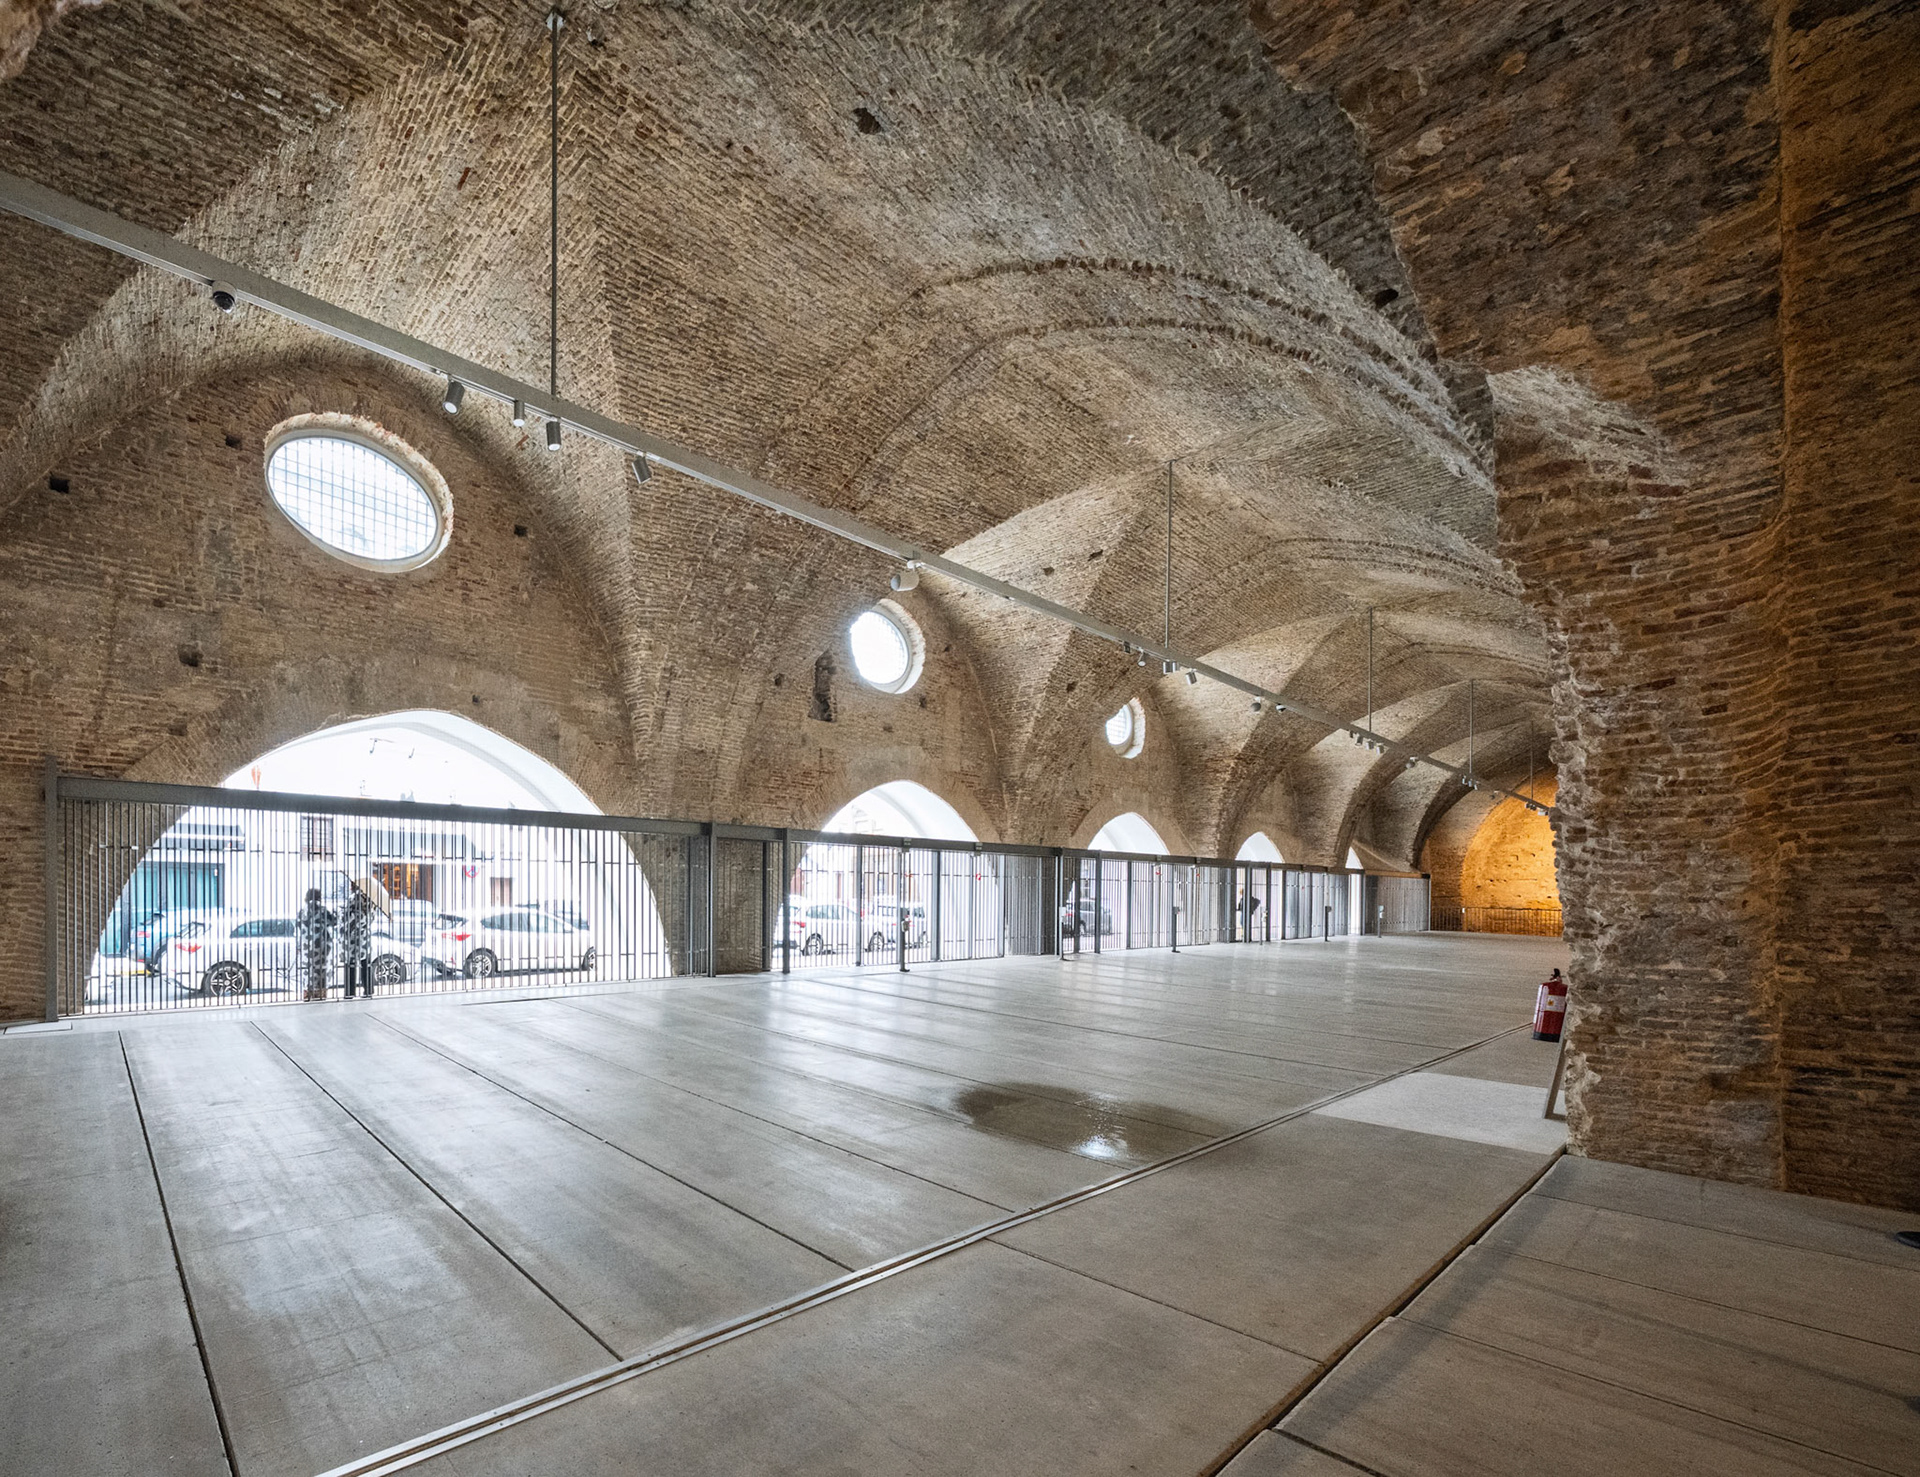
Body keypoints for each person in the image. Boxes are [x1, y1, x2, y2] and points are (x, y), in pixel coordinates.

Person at [295, 888, 336, 1002]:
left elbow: (297, 929)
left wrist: (299, 946)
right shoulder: (323, 910)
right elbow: (334, 922)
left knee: (308, 970)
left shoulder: (302, 911)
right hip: (322, 946)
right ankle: (320, 993)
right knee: (321, 970)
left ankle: (307, 993)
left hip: (306, 946)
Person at [338, 882, 375, 999]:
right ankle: (368, 990)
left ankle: (350, 992)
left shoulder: (353, 898)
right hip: (364, 937)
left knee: (350, 965)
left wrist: (341, 912)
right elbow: (371, 918)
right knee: (366, 964)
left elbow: (347, 918)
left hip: (352, 938)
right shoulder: (370, 901)